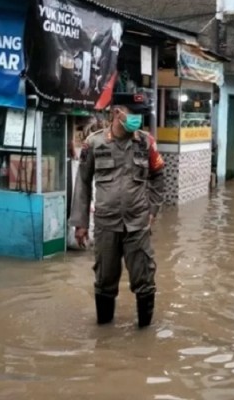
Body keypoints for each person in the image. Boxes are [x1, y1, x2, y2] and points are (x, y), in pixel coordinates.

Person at [69, 92, 165, 328]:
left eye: (140, 115)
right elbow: (82, 182)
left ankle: (144, 338)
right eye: (133, 114)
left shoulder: (146, 143)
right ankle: (104, 337)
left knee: (144, 279)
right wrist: (81, 224)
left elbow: (158, 176)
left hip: (137, 225)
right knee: (104, 281)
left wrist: (152, 211)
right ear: (116, 113)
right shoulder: (94, 143)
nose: (138, 120)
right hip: (106, 225)